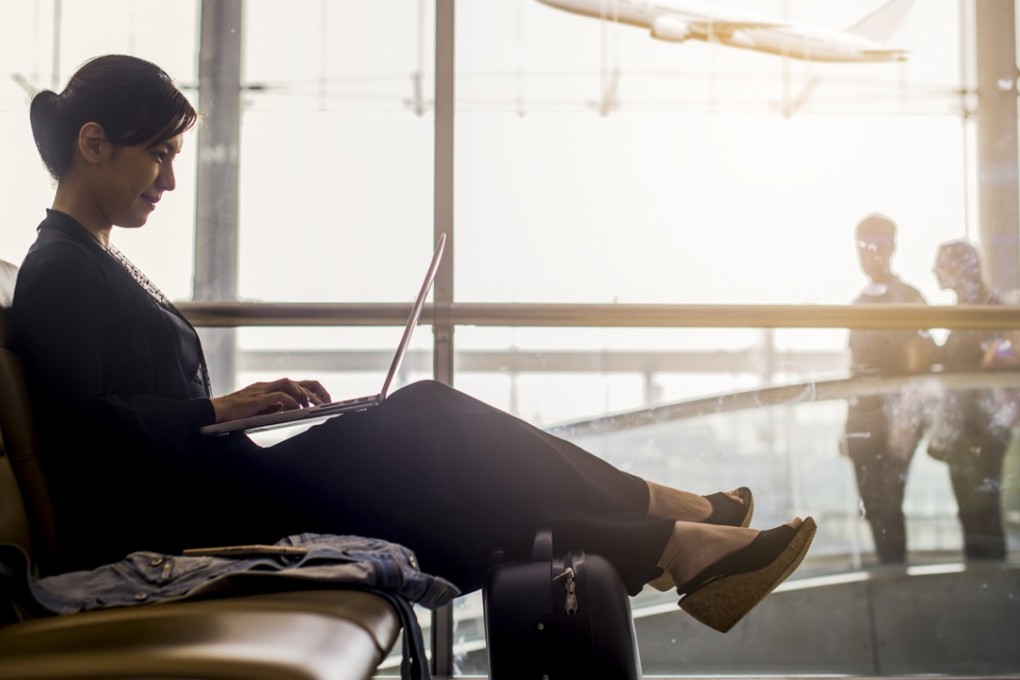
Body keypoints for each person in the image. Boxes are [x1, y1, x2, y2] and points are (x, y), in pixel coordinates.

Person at [9, 54, 814, 634]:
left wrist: (224, 413)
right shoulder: (60, 269)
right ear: (92, 144)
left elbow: (124, 410)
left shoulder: (92, 262)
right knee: (427, 424)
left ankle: (681, 537)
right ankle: (678, 521)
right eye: (159, 154)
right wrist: (217, 409)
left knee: (448, 486)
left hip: (219, 490)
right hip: (189, 521)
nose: (170, 180)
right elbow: (87, 434)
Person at [842, 213, 934, 563]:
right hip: (861, 418)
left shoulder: (910, 298)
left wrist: (905, 420)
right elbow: (854, 369)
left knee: (888, 499)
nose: (869, 255)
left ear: (892, 248)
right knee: (871, 501)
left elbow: (920, 361)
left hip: (897, 416)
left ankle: (894, 570)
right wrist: (846, 424)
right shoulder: (857, 304)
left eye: (876, 246)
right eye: (862, 247)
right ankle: (888, 567)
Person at [927, 240, 1009, 560]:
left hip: (982, 430)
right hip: (967, 430)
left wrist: (991, 356)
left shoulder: (985, 307)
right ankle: (981, 581)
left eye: (941, 264)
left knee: (981, 513)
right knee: (972, 512)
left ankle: (989, 589)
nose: (934, 271)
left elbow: (1004, 352)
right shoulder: (965, 311)